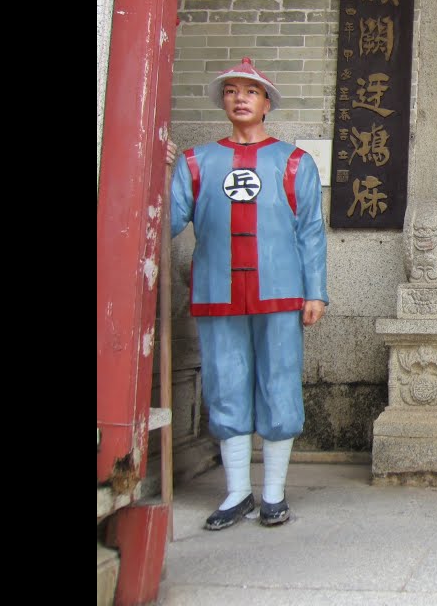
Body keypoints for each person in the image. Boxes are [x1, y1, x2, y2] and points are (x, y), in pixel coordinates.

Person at [166, 57, 329, 530]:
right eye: (232, 90)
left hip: (279, 291)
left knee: (280, 381)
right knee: (225, 381)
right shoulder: (196, 162)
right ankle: (237, 492)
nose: (241, 98)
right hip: (217, 290)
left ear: (266, 104)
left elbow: (311, 232)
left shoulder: (293, 162)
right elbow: (168, 220)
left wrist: (314, 291)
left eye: (251, 91)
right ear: (223, 101)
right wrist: (154, 172)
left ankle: (274, 493)